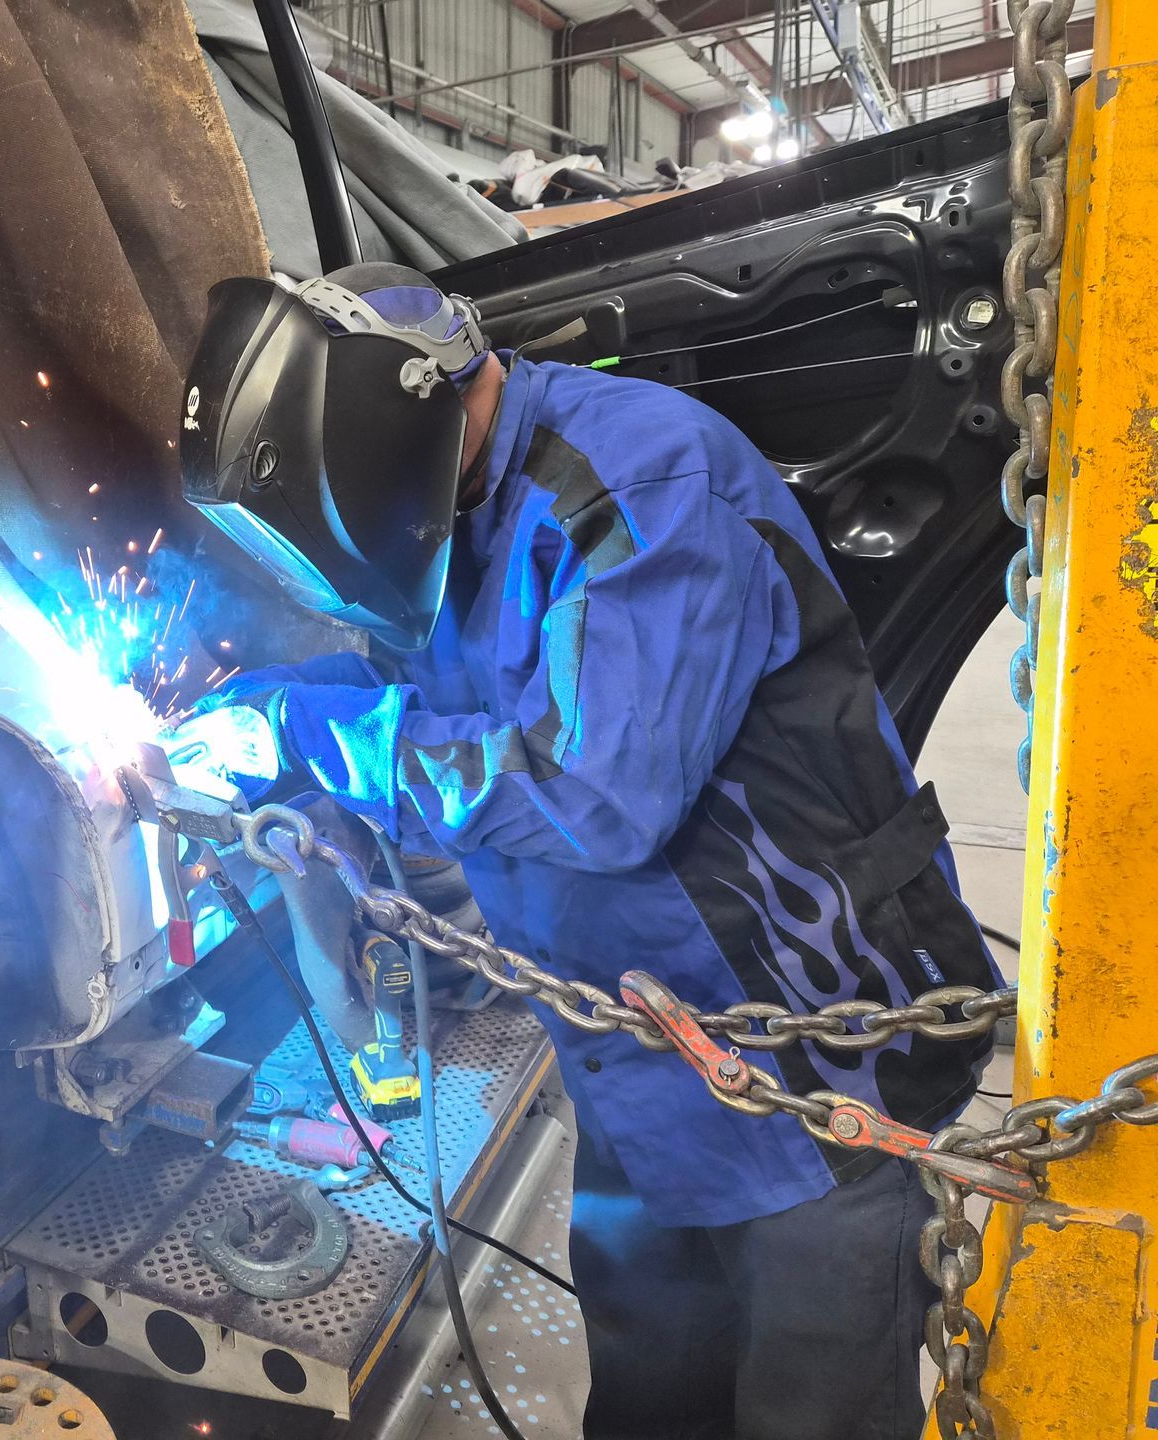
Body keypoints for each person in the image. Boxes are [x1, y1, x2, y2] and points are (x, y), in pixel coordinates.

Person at [170, 262, 998, 1440]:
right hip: (633, 1060)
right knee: (650, 1392)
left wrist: (304, 733)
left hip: (810, 1071)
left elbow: (595, 792)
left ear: (387, 431)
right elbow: (425, 685)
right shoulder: (445, 509)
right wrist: (265, 710)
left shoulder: (646, 488)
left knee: (810, 1406)